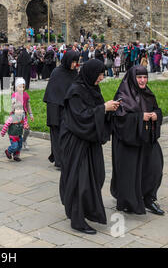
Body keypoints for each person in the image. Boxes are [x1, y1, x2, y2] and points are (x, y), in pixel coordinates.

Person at [59, 60, 120, 234]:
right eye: (100, 74)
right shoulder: (75, 92)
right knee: (81, 181)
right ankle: (77, 220)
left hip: (89, 141)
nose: (101, 78)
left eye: (102, 74)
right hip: (76, 142)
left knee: (96, 176)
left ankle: (85, 210)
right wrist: (103, 108)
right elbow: (80, 118)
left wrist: (107, 109)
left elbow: (93, 111)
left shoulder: (91, 88)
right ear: (90, 73)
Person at [111, 66, 165, 215]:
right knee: (131, 173)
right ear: (132, 78)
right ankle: (130, 201)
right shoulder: (123, 94)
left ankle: (149, 197)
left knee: (155, 167)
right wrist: (139, 117)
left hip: (147, 139)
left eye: (145, 77)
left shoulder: (148, 93)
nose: (142, 80)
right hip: (129, 143)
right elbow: (118, 120)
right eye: (139, 77)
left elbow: (156, 109)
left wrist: (156, 115)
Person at [43, 50, 79, 168]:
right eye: (73, 61)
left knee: (65, 134)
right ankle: (59, 161)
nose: (75, 64)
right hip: (54, 107)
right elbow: (52, 92)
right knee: (56, 133)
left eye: (76, 62)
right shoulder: (57, 72)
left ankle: (62, 157)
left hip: (66, 108)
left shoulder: (74, 73)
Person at [12, 78, 33, 150]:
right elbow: (12, 105)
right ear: (16, 87)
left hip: (24, 116)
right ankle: (16, 143)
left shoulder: (26, 95)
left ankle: (24, 141)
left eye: (23, 87)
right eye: (19, 87)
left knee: (27, 129)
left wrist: (31, 114)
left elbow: (28, 105)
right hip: (16, 116)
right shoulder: (14, 95)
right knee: (17, 131)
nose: (21, 88)